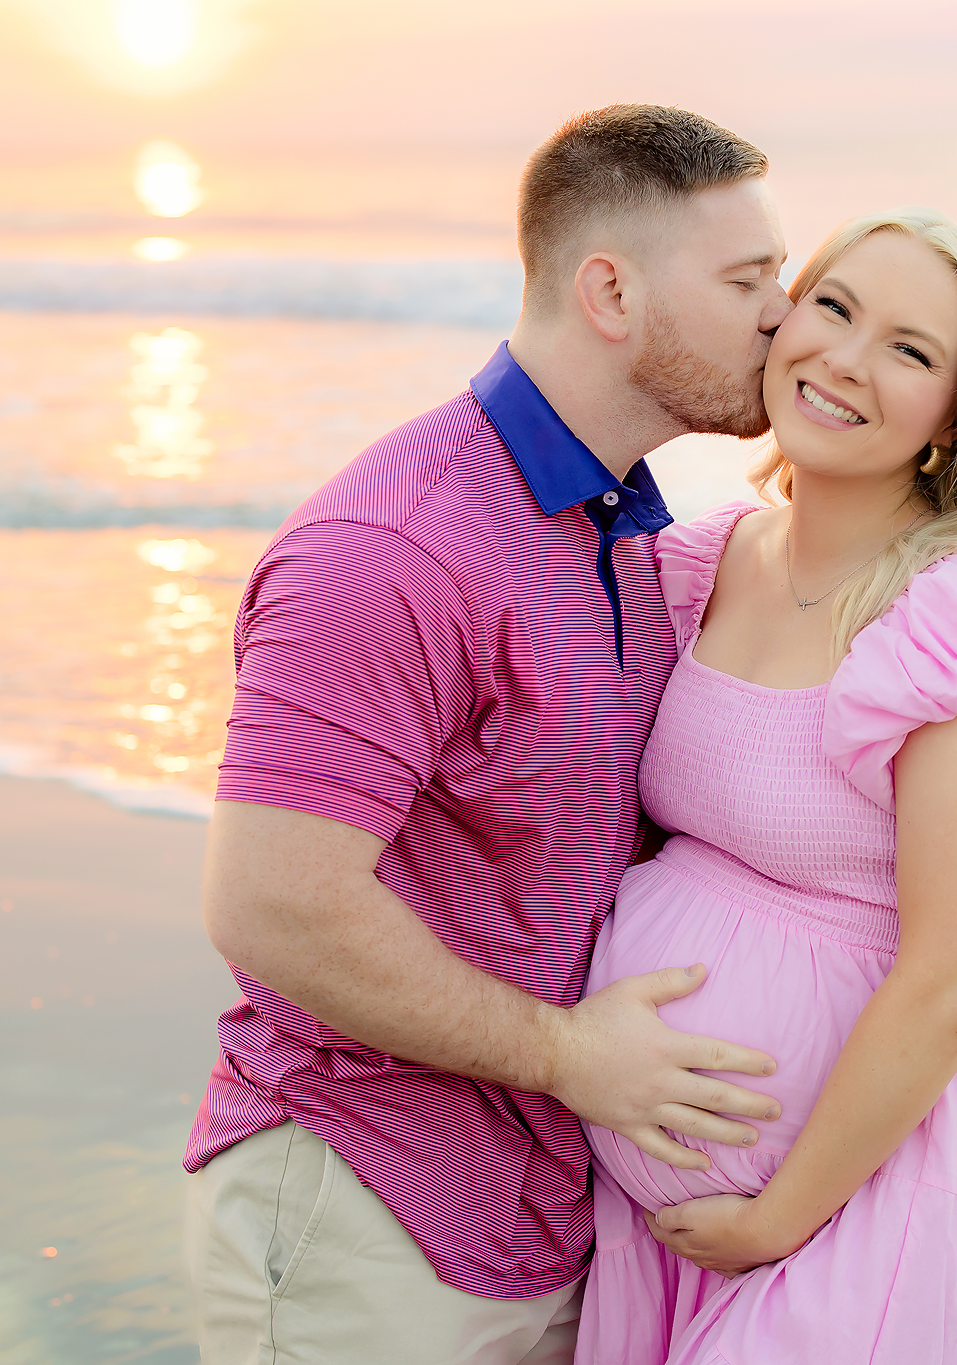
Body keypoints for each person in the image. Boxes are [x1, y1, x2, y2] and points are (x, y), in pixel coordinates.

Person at [179, 105, 799, 1365]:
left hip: (547, 1218)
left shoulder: (626, 534)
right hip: (366, 1209)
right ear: (610, 292)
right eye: (746, 281)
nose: (783, 314)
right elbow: (273, 907)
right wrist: (568, 1055)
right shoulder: (394, 552)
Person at [576, 210, 957, 1364]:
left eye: (910, 351)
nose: (844, 360)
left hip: (871, 1208)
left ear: (955, 418)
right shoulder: (704, 560)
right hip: (670, 1222)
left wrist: (777, 1218)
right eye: (833, 308)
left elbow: (955, 980)